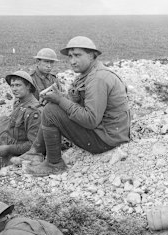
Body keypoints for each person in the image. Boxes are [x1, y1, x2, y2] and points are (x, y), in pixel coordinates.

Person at [24, 36, 131, 176]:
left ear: (92, 56)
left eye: (77, 55)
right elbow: (79, 102)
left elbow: (91, 120)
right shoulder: (89, 73)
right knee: (53, 105)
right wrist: (58, 98)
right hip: (111, 133)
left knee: (50, 111)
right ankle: (35, 152)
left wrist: (60, 101)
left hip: (107, 139)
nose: (72, 61)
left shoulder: (98, 79)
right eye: (70, 57)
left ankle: (54, 163)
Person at [0, 71, 41, 164]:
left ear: (28, 86)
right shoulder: (18, 103)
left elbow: (34, 145)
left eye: (18, 85)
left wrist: (8, 149)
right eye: (12, 85)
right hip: (9, 144)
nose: (14, 89)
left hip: (20, 154)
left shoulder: (34, 111)